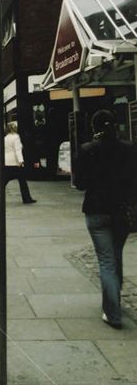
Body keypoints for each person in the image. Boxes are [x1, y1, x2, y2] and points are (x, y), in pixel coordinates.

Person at [74, 109, 137, 329]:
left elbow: (80, 183)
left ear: (94, 127)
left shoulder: (88, 149)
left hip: (97, 211)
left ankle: (112, 313)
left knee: (106, 261)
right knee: (116, 256)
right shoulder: (128, 148)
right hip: (121, 211)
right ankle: (114, 301)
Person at [4, 122, 36, 204]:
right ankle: (27, 198)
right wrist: (21, 161)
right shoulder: (16, 137)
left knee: (4, 180)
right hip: (15, 162)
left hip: (6, 162)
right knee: (22, 181)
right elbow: (17, 150)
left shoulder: (6, 138)